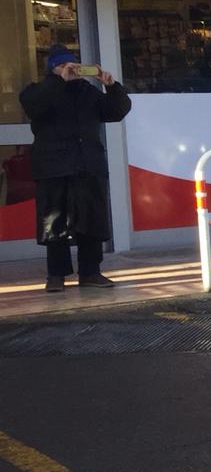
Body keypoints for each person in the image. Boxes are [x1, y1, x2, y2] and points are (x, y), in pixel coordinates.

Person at [19, 46, 131, 292]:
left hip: (88, 165)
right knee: (54, 222)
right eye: (64, 66)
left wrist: (111, 86)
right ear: (53, 69)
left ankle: (91, 271)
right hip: (53, 167)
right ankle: (56, 275)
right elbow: (33, 105)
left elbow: (117, 111)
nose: (71, 70)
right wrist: (59, 80)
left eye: (75, 66)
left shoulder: (88, 92)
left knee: (92, 221)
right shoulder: (39, 90)